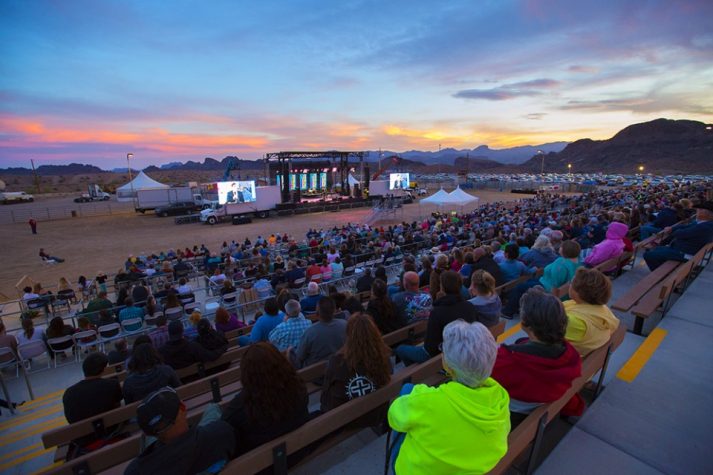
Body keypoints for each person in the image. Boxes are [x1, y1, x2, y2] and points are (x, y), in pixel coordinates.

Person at [388, 320, 510, 474]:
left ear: (448, 366)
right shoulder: (500, 397)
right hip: (477, 464)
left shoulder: (428, 401)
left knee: (406, 390)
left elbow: (394, 418)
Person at [491, 288, 583, 425]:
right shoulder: (570, 355)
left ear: (525, 323)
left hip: (508, 418)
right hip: (535, 415)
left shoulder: (507, 362)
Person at [222, 342, 308, 457]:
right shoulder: (298, 386)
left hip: (264, 462)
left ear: (247, 374)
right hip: (300, 447)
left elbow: (224, 429)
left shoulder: (241, 406)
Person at [126, 386, 235, 475]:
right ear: (183, 407)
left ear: (148, 432)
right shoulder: (222, 432)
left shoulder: (135, 471)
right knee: (212, 407)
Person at [395, 271, 487, 366]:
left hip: (444, 355)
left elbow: (429, 349)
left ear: (442, 287)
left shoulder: (437, 312)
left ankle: (412, 373)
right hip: (460, 349)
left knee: (400, 349)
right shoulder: (470, 306)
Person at [321, 312, 392, 412]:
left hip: (345, 418)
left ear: (348, 335)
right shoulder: (382, 355)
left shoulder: (337, 361)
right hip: (377, 410)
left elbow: (325, 395)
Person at [62, 353, 123, 451]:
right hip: (111, 431)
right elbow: (118, 406)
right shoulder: (111, 385)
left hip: (83, 439)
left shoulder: (69, 393)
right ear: (103, 369)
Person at [564, 268, 620, 356]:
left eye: (572, 283)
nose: (570, 285)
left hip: (564, 363)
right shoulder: (602, 309)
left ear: (579, 292)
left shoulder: (577, 321)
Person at [643, 201, 713, 271]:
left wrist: (673, 230)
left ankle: (661, 276)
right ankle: (663, 270)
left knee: (648, 255)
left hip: (685, 253)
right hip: (685, 249)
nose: (697, 211)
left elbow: (679, 234)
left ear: (705, 213)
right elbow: (684, 226)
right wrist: (672, 228)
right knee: (658, 249)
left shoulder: (705, 227)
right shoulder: (704, 223)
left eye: (698, 210)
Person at [294, 297, 347, 368]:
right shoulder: (345, 324)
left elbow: (299, 356)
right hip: (341, 366)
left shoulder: (310, 332)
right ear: (334, 310)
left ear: (317, 312)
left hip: (315, 373)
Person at [159, 321, 224, 370]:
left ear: (169, 333)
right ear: (182, 331)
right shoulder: (192, 346)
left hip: (179, 384)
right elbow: (211, 356)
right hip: (196, 379)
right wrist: (223, 348)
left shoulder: (161, 351)